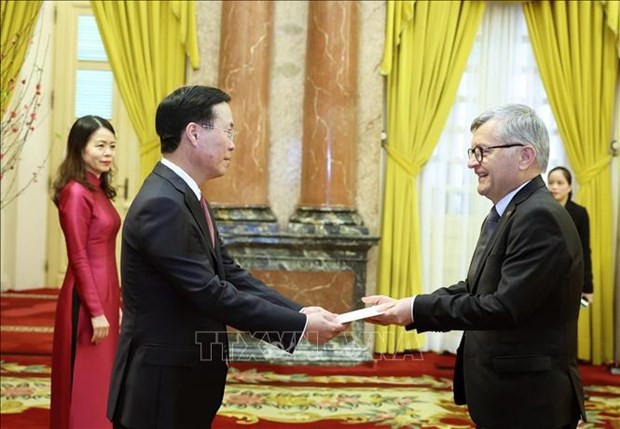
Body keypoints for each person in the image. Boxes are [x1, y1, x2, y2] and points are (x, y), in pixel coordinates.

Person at [107, 85, 346, 429]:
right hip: (160, 390)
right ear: (193, 133)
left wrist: (299, 312)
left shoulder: (185, 194)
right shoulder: (162, 203)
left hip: (181, 382)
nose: (233, 143)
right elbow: (211, 293)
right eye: (228, 130)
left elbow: (229, 274)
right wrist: (301, 327)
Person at [364, 104, 586, 429]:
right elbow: (475, 287)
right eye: (472, 151)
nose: (472, 163)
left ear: (525, 156)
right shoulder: (508, 212)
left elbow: (503, 307)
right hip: (507, 396)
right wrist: (407, 305)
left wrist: (415, 310)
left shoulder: (539, 217)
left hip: (529, 403)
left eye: (482, 152)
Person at [50, 115, 121, 429]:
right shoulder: (76, 193)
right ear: (80, 148)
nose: (108, 153)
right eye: (100, 145)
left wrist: (112, 304)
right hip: (85, 301)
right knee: (84, 384)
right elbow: (77, 255)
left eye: (112, 146)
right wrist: (95, 310)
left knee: (103, 377)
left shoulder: (97, 189)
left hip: (105, 296)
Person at [547, 166, 593, 304]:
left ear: (569, 187)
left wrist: (588, 286)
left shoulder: (579, 213)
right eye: (551, 182)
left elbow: (584, 250)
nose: (554, 187)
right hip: (544, 275)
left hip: (570, 276)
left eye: (560, 183)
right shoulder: (540, 210)